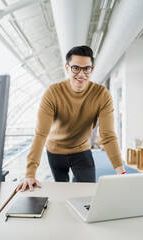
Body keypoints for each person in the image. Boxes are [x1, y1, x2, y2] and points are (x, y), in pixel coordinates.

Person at [16, 45, 126, 192]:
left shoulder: (101, 95)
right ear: (67, 68)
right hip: (55, 151)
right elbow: (41, 134)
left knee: (88, 193)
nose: (81, 74)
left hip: (81, 150)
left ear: (91, 69)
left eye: (86, 68)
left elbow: (108, 135)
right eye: (76, 68)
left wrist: (121, 172)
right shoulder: (53, 93)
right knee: (61, 192)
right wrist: (30, 174)